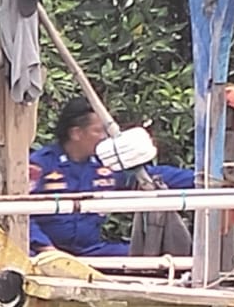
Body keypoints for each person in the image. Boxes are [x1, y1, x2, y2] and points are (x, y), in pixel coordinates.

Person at [29, 96, 194, 257]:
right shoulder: (41, 164)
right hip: (43, 253)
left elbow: (149, 175)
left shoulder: (106, 163)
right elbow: (20, 215)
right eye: (98, 130)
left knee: (146, 257)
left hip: (91, 252)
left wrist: (201, 179)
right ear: (76, 133)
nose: (103, 137)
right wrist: (45, 248)